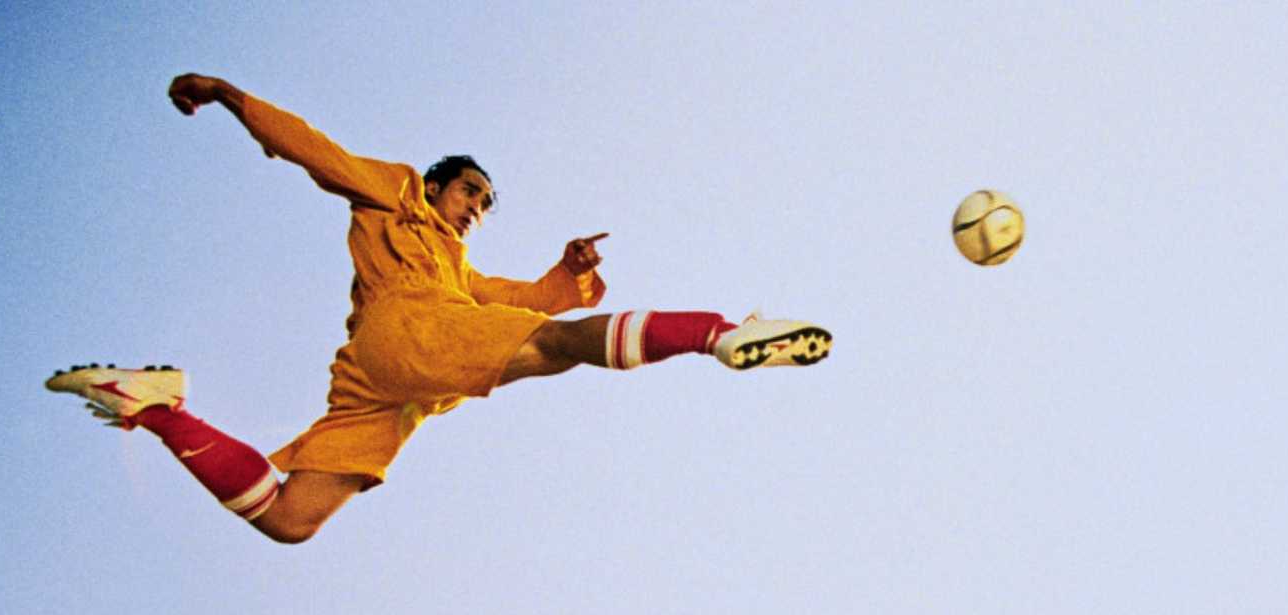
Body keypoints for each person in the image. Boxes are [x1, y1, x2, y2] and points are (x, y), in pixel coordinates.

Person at [46, 73, 831, 544]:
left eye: (485, 204)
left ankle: (156, 406)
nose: (474, 209)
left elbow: (515, 299)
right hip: (408, 327)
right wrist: (230, 96)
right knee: (555, 347)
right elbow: (319, 151)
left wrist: (565, 270)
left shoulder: (456, 266)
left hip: (386, 384)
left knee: (290, 519)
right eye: (467, 192)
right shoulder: (395, 196)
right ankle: (720, 334)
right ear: (433, 184)